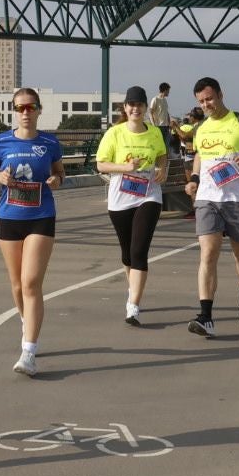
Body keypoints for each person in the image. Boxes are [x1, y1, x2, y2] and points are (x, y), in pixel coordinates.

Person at [0, 87, 65, 376]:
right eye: (20, 108)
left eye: (31, 107)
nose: (26, 113)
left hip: (41, 216)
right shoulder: (1, 141)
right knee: (17, 285)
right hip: (9, 216)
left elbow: (60, 173)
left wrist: (56, 179)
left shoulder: (49, 142)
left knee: (31, 283)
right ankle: (26, 320)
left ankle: (29, 351)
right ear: (14, 112)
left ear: (39, 110)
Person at [183, 77, 239, 337]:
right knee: (208, 254)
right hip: (208, 199)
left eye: (209, 98)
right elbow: (199, 155)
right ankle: (206, 316)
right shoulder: (201, 128)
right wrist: (195, 180)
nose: (206, 104)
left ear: (221, 94)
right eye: (201, 101)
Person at [95, 85, 169, 326]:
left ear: (146, 108)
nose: (135, 108)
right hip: (121, 197)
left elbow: (161, 154)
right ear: (125, 108)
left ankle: (133, 306)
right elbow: (101, 164)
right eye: (131, 105)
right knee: (127, 253)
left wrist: (162, 168)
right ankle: (132, 291)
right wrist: (125, 168)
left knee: (139, 251)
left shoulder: (155, 133)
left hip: (149, 194)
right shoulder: (114, 133)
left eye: (140, 105)